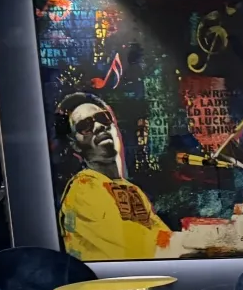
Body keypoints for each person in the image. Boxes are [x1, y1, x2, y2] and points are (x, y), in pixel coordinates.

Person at [55, 92, 179, 259]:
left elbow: (162, 236)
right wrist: (204, 241)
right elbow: (143, 248)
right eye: (85, 125)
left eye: (103, 118)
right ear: (75, 145)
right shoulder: (83, 190)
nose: (99, 126)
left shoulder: (130, 189)